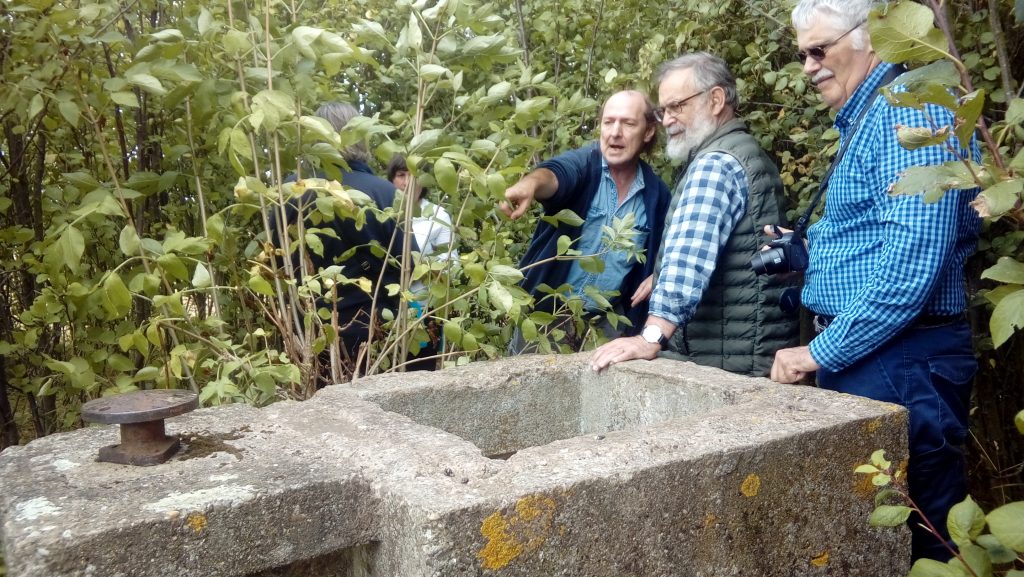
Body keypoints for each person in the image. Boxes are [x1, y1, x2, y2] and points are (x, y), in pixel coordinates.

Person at [769, 0, 981, 561]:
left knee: (922, 537)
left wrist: (818, 351)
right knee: (881, 536)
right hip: (885, 355)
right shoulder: (873, 116)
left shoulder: (903, 110)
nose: (809, 66)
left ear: (868, 38)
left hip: (900, 356)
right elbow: (879, 242)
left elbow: (914, 260)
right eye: (802, 55)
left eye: (820, 50)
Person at [590, 53, 798, 377]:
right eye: (663, 110)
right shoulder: (747, 152)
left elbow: (689, 259)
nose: (668, 119)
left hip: (727, 363)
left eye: (677, 106)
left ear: (715, 100)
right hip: (754, 353)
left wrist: (651, 337)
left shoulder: (714, 164)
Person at [500, 90, 671, 351]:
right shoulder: (584, 166)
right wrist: (530, 184)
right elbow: (556, 174)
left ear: (647, 132)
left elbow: (670, 249)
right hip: (547, 317)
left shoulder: (657, 195)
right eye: (608, 121)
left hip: (607, 325)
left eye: (628, 123)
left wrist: (658, 274)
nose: (615, 132)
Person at [271, 102, 407, 376]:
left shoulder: (289, 192)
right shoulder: (384, 193)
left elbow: (278, 260)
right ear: (360, 136)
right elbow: (408, 264)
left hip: (305, 330)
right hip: (372, 334)